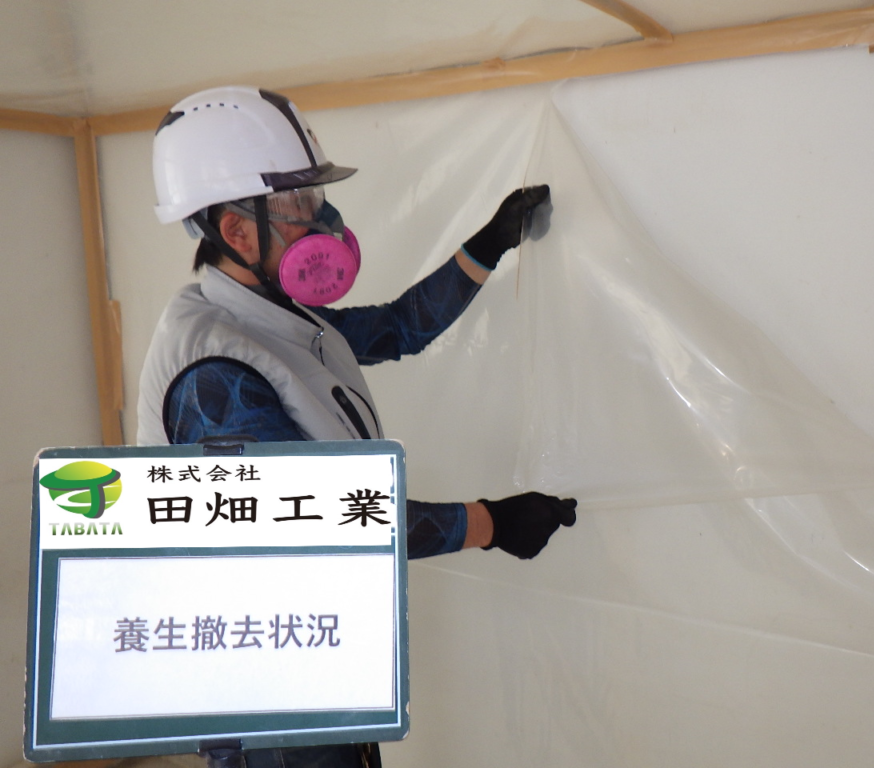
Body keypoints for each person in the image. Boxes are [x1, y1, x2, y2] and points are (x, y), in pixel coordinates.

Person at [136, 86, 576, 768]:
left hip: (313, 652)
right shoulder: (215, 375)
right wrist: (490, 523)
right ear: (237, 232)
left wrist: (489, 244)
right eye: (300, 207)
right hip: (268, 700)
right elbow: (315, 523)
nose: (324, 223)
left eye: (317, 199)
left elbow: (397, 327)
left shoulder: (270, 316)